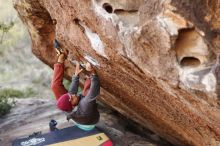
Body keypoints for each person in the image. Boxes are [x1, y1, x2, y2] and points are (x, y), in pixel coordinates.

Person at [51, 40, 100, 130]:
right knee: (86, 92)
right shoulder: (85, 106)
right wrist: (93, 73)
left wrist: (76, 75)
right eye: (71, 97)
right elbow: (94, 92)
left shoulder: (70, 101)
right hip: (90, 119)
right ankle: (88, 77)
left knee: (55, 87)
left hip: (71, 105)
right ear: (73, 105)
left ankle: (61, 56)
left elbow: (71, 94)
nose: (73, 94)